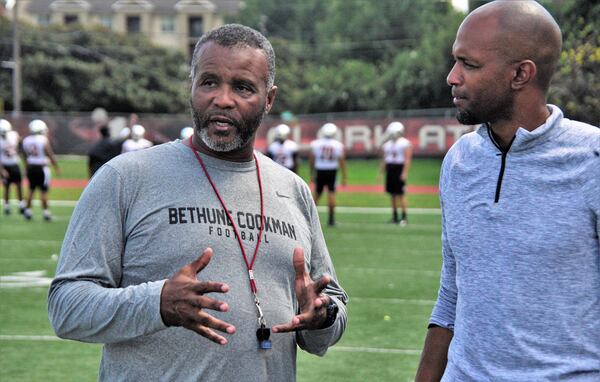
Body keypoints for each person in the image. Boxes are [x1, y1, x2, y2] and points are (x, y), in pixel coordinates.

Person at [48, 24, 347, 381]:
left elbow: (329, 311)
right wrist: (156, 303)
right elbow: (67, 307)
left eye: (242, 87)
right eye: (209, 82)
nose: (222, 99)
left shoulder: (293, 189)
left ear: (269, 99)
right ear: (191, 88)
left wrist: (322, 315)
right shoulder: (125, 177)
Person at [415, 1, 600, 381]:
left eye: (469, 64)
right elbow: (451, 296)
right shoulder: (459, 161)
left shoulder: (592, 159)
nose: (452, 76)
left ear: (520, 74)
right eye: (456, 61)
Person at [21, 119, 61, 221]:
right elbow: (50, 154)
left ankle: (28, 211)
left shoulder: (26, 140)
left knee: (31, 189)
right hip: (41, 168)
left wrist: (25, 168)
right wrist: (56, 167)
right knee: (44, 191)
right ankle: (46, 213)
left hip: (31, 167)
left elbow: (25, 156)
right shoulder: (43, 140)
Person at [309, 123, 347, 227]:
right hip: (332, 170)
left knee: (317, 194)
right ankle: (331, 220)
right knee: (331, 193)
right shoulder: (337, 145)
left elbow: (312, 160)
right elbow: (342, 161)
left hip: (320, 169)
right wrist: (344, 176)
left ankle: (309, 219)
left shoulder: (316, 144)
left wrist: (311, 173)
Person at [379, 121, 412, 225]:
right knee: (392, 194)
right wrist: (381, 172)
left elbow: (407, 159)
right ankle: (394, 217)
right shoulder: (387, 144)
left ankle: (404, 217)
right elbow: (385, 159)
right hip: (390, 169)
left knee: (401, 194)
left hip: (398, 168)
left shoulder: (404, 143)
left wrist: (404, 172)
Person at [0, 118, 26, 215]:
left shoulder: (14, 135)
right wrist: (2, 170)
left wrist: (19, 149)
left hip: (14, 164)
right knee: (6, 187)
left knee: (19, 185)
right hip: (5, 165)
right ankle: (7, 206)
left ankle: (21, 205)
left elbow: (20, 145)